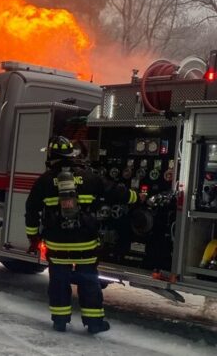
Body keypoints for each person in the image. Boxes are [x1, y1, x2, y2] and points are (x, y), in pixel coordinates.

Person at [25, 136, 139, 334]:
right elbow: (115, 191)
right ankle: (94, 323)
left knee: (58, 281)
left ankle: (60, 321)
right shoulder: (90, 177)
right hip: (85, 242)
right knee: (89, 280)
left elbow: (31, 210)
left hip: (57, 244)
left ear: (51, 156)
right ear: (71, 155)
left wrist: (33, 238)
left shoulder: (44, 181)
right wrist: (136, 196)